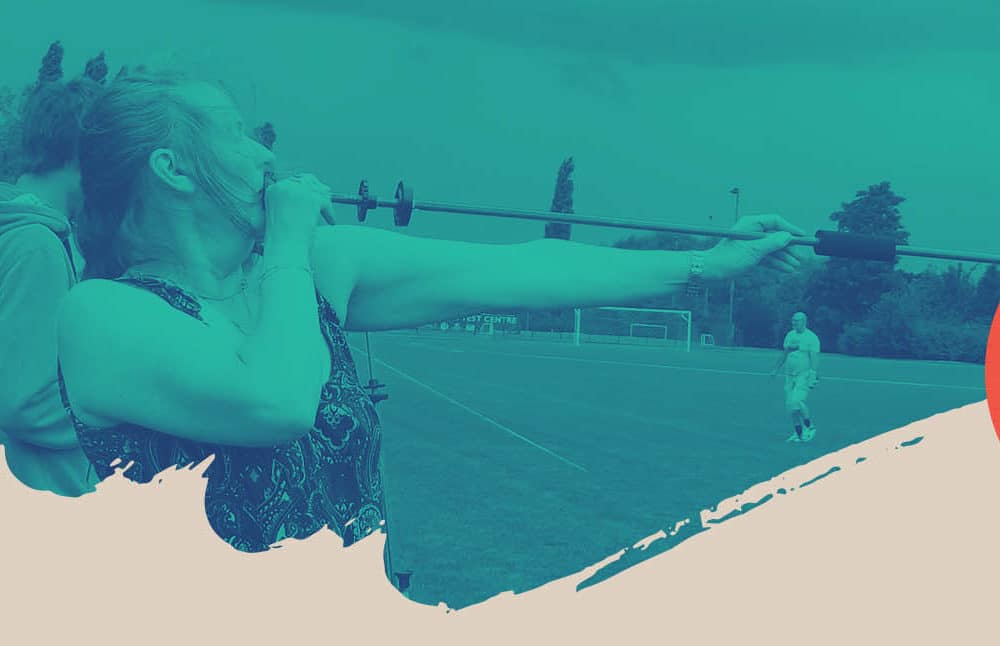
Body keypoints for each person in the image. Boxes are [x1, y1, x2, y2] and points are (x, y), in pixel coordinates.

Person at [56, 70, 805, 568]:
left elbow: (519, 270)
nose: (264, 155)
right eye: (235, 132)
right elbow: (277, 401)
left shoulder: (310, 270)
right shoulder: (103, 316)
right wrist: (286, 239)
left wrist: (704, 263)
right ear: (173, 169)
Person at [0, 77, 100, 497]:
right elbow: (26, 403)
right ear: (84, 154)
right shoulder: (36, 245)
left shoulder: (21, 230)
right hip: (38, 492)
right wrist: (121, 415)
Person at [772, 311, 821, 442]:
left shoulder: (811, 338)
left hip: (803, 375)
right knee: (791, 406)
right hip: (789, 376)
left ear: (804, 321)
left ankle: (810, 427)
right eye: (793, 320)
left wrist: (813, 375)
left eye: (797, 320)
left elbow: (814, 357)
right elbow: (785, 353)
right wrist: (776, 369)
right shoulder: (790, 335)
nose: (794, 323)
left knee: (797, 401)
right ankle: (798, 433)